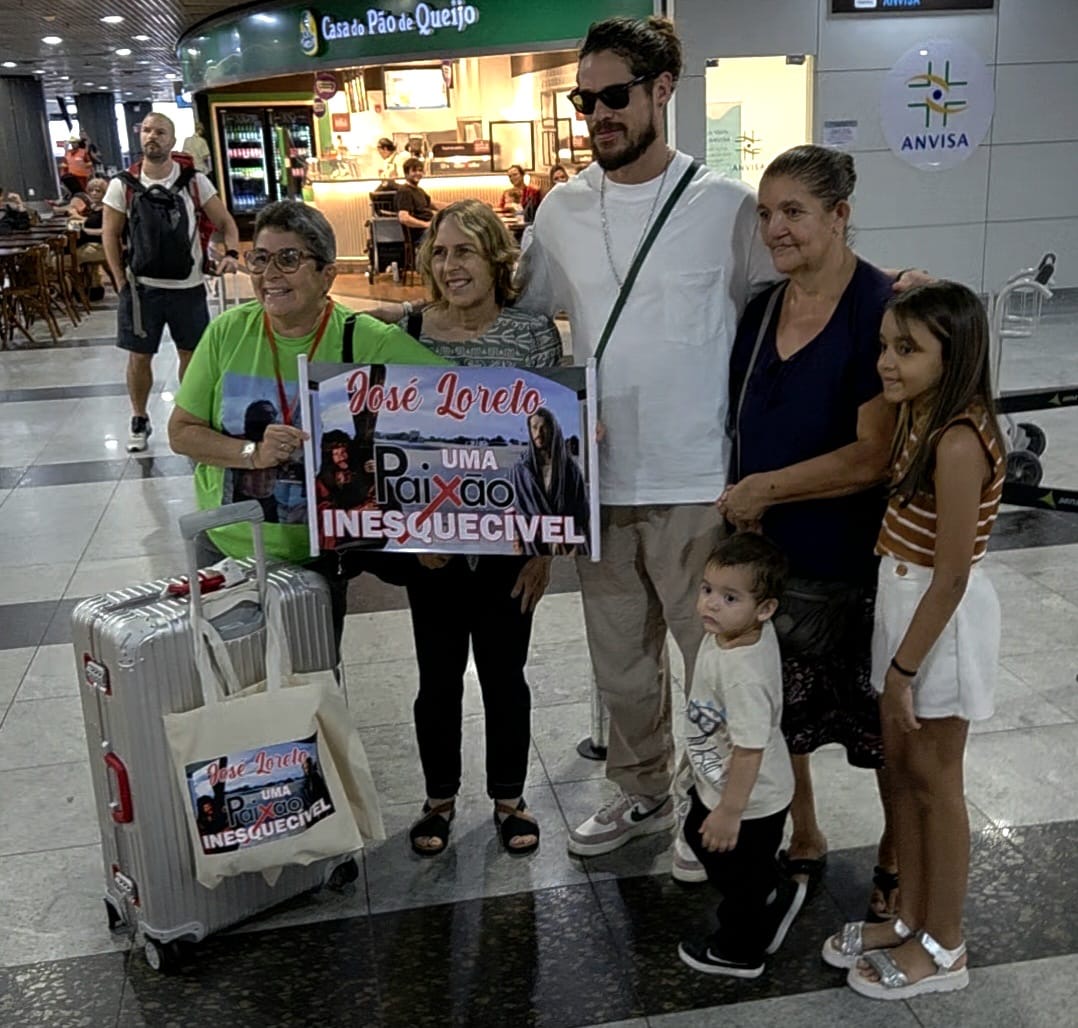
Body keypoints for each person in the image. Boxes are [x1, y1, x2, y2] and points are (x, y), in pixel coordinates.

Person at [516, 15, 777, 861]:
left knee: (713, 664)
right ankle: (641, 792)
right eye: (584, 101)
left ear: (663, 89)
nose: (598, 115)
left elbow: (797, 305)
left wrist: (893, 289)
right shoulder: (559, 211)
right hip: (599, 482)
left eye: (614, 97)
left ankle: (716, 811)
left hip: (699, 481)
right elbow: (517, 323)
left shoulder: (727, 207)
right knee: (622, 666)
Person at [719, 145, 901, 915]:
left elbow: (872, 455)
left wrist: (766, 487)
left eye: (794, 211)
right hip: (771, 558)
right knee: (778, 706)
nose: (775, 229)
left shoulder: (881, 311)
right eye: (766, 213)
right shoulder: (763, 309)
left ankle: (895, 857)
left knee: (877, 723)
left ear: (840, 214)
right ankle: (805, 827)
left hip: (852, 558)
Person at [827, 281, 1004, 1001]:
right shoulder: (919, 416)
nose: (886, 363)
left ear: (952, 357)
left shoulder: (959, 440)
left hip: (939, 622)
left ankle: (944, 942)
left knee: (936, 783)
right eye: (883, 345)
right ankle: (908, 916)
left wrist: (903, 671)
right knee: (901, 773)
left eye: (907, 349)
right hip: (904, 603)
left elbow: (953, 575)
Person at [167, 200, 445, 649]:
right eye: (260, 258)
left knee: (313, 683)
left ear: (327, 275)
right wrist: (251, 453)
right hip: (226, 549)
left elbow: (458, 401)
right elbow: (182, 431)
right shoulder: (227, 332)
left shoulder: (364, 339)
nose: (269, 274)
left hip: (315, 559)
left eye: (289, 259)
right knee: (227, 678)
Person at [398, 199, 562, 859]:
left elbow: (553, 442)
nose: (451, 265)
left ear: (496, 257)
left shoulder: (532, 336)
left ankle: (509, 797)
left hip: (510, 543)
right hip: (432, 545)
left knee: (504, 673)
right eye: (439, 253)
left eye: (464, 250)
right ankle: (439, 798)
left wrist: (544, 549)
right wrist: (414, 537)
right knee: (436, 678)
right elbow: (394, 437)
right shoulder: (409, 330)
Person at [677, 533, 805, 979]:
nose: (711, 604)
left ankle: (740, 950)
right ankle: (773, 891)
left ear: (765, 609)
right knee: (703, 839)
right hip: (725, 782)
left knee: (738, 880)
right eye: (707, 589)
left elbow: (750, 750)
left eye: (730, 597)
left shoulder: (743, 676)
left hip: (749, 799)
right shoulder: (735, 632)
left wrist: (731, 812)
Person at [103, 112, 242, 453]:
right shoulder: (123, 184)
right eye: (147, 130)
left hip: (188, 287)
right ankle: (139, 418)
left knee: (191, 356)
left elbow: (226, 221)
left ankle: (191, 416)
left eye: (160, 132)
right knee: (139, 357)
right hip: (141, 289)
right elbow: (110, 233)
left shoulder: (195, 182)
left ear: (172, 140)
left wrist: (232, 253)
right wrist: (120, 281)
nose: (152, 136)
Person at [510, 407, 590, 556]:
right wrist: (518, 538)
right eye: (534, 428)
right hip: (534, 543)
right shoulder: (522, 469)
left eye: (543, 428)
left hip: (566, 544)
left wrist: (578, 545)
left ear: (552, 430)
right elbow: (519, 508)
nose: (538, 433)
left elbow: (581, 512)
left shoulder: (570, 469)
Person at [75, 177, 110, 299]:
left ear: (104, 193)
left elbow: (106, 231)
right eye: (91, 190)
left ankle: (75, 290)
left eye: (98, 191)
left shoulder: (107, 209)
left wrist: (85, 231)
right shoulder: (93, 208)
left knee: (66, 260)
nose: (94, 193)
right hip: (90, 244)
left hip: (101, 247)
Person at [395, 157, 441, 250]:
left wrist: (457, 205)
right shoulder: (405, 191)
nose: (418, 173)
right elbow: (404, 218)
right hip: (421, 234)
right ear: (406, 173)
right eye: (414, 171)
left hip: (429, 228)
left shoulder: (419, 190)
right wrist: (426, 224)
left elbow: (434, 204)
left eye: (420, 171)